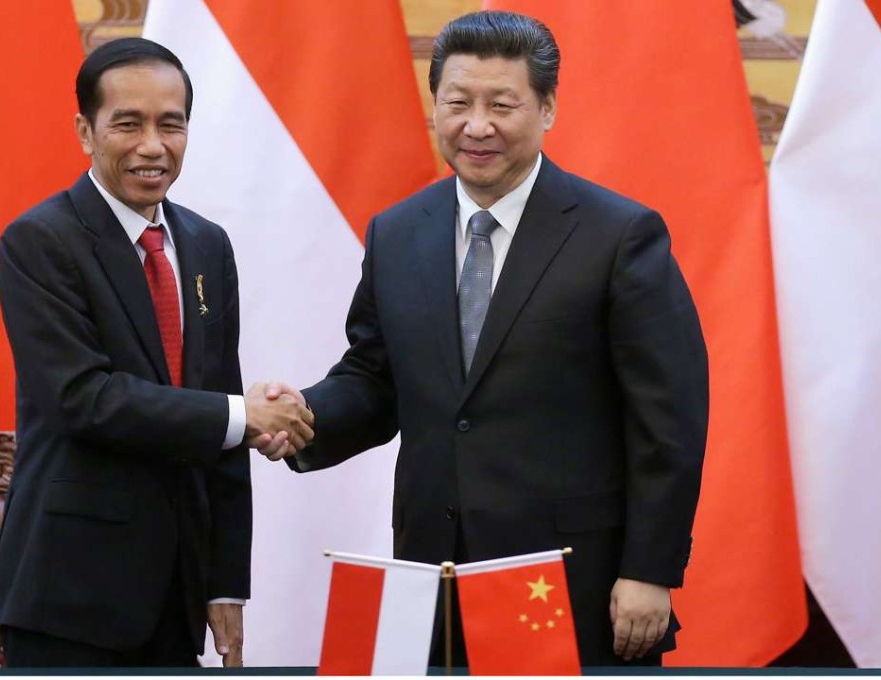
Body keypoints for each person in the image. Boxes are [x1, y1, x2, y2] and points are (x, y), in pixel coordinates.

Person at [256, 10, 708, 668]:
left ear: (547, 108)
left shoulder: (619, 235)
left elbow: (669, 418)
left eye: (503, 104)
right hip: (426, 577)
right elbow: (376, 378)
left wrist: (650, 568)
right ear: (434, 105)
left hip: (565, 578)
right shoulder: (398, 231)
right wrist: (304, 416)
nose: (477, 126)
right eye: (457, 102)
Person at [0, 38, 313, 668]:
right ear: (86, 131)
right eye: (127, 123)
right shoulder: (39, 241)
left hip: (179, 593)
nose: (152, 145)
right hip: (69, 596)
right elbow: (86, 400)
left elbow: (219, 406)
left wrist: (225, 581)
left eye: (171, 124)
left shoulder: (206, 245)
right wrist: (247, 416)